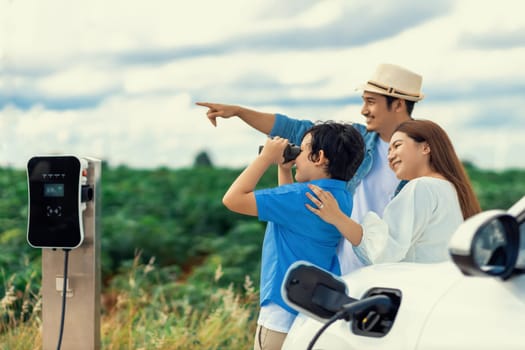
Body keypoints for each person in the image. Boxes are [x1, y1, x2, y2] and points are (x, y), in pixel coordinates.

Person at [197, 63, 425, 274]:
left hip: (389, 267)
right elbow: (292, 128)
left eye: (371, 102)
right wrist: (240, 112)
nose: (363, 110)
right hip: (343, 262)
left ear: (397, 104)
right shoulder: (355, 140)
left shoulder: (425, 156)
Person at [222, 122, 364, 350]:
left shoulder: (301, 196)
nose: (297, 154)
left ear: (319, 157)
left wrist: (266, 158)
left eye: (303, 149)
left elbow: (232, 199)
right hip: (313, 311)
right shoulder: (340, 198)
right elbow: (289, 215)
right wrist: (285, 169)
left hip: (280, 313)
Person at [305, 119, 481, 264]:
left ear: (426, 148)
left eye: (397, 146)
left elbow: (383, 252)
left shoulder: (421, 187)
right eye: (389, 150)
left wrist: (338, 218)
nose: (390, 156)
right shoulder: (449, 188)